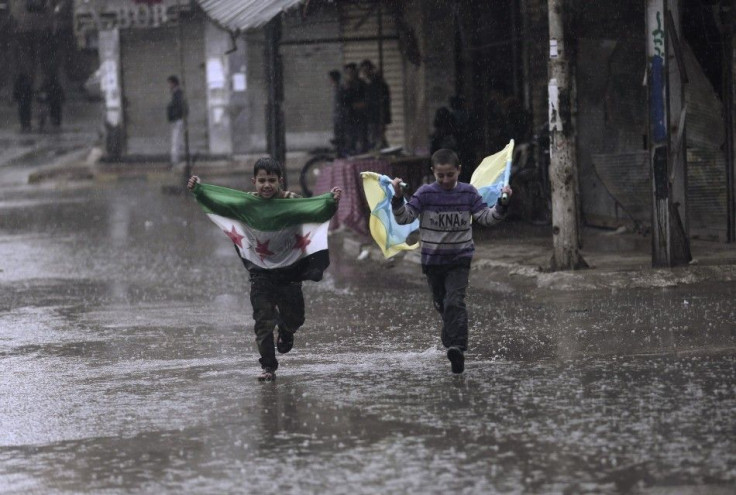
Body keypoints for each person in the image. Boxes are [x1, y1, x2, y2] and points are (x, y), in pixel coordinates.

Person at [187, 158, 343, 381]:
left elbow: (315, 212)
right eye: (262, 180)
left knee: (295, 318)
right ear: (254, 182)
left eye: (271, 180)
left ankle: (287, 331)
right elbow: (221, 203)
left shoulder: (292, 201)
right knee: (263, 321)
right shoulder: (247, 203)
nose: (266, 185)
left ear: (280, 181)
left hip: (289, 270)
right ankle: (268, 366)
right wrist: (199, 190)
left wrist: (331, 202)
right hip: (260, 271)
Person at [389, 149, 512, 374]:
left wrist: (503, 204)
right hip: (433, 262)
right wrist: (397, 197)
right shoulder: (425, 194)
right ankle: (451, 336)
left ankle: (457, 348)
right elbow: (405, 216)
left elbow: (487, 217)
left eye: (450, 175)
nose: (445, 180)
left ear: (459, 171)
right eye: (440, 176)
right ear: (433, 173)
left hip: (459, 259)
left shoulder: (468, 193)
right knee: (442, 304)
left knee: (455, 301)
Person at [359, 59, 391, 150]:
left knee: (377, 138)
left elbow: (383, 102)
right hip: (369, 117)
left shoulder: (378, 84)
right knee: (373, 138)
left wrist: (385, 117)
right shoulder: (364, 84)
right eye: (363, 70)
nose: (365, 72)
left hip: (377, 116)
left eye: (367, 70)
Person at [341, 63, 367, 155]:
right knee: (350, 141)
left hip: (361, 117)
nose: (350, 74)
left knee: (362, 140)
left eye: (352, 72)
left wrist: (361, 105)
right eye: (348, 72)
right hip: (349, 117)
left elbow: (366, 100)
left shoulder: (362, 84)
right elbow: (342, 103)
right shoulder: (344, 86)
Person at [166, 75, 188, 170]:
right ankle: (179, 160)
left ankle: (175, 162)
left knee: (176, 141)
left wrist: (174, 116)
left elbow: (180, 107)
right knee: (178, 141)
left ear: (174, 83)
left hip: (177, 121)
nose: (169, 85)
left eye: (170, 83)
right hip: (178, 120)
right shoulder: (177, 93)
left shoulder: (178, 94)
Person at [328, 70, 346, 156]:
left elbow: (340, 106)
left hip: (340, 118)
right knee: (338, 137)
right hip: (337, 118)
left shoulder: (339, 89)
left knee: (340, 138)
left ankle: (340, 154)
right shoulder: (337, 89)